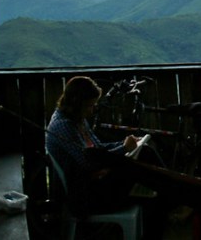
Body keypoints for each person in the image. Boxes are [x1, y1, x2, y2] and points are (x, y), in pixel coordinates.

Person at [46, 76, 169, 237]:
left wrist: (124, 144)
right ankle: (173, 192)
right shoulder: (64, 126)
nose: (91, 110)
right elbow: (89, 163)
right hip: (87, 196)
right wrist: (123, 149)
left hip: (97, 184)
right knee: (146, 167)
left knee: (154, 191)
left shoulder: (77, 119)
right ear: (77, 103)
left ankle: (170, 193)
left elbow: (99, 148)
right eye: (89, 105)